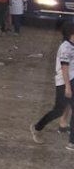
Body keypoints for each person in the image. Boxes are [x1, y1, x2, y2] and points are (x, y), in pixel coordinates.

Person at [31, 21, 74, 150]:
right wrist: (67, 86)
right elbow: (64, 68)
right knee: (58, 110)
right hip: (65, 82)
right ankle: (37, 127)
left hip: (71, 80)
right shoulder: (66, 47)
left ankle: (72, 142)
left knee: (63, 109)